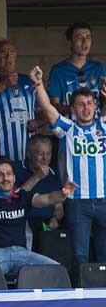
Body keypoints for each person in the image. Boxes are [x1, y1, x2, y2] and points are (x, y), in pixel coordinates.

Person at [34, 79, 106, 270]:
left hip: (105, 199)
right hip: (77, 202)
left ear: (95, 106)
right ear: (72, 108)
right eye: (81, 104)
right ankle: (82, 297)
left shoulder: (104, 125)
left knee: (104, 254)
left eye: (90, 103)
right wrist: (39, 83)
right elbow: (48, 108)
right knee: (79, 256)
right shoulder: (68, 129)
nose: (86, 108)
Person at [0, 157, 74, 276]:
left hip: (22, 253)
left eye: (9, 174)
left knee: (58, 270)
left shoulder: (22, 196)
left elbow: (48, 198)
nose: (5, 178)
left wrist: (63, 193)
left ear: (14, 178)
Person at [0, 40, 40, 163]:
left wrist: (39, 121)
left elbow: (43, 111)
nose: (9, 57)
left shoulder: (28, 81)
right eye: (3, 53)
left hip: (28, 158)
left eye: (12, 52)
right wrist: (3, 85)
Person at [48, 23, 104, 114]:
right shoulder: (58, 71)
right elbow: (54, 106)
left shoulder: (97, 68)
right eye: (79, 37)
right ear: (70, 41)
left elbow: (103, 101)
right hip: (69, 127)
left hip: (95, 127)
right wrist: (78, 110)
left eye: (88, 37)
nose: (84, 41)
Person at [16, 135, 65, 238]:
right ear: (29, 154)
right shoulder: (17, 169)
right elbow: (16, 198)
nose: (45, 158)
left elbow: (59, 207)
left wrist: (55, 219)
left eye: (48, 154)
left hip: (46, 226)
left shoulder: (53, 174)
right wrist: (37, 176)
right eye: (40, 154)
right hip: (23, 223)